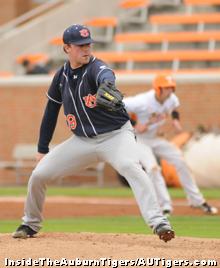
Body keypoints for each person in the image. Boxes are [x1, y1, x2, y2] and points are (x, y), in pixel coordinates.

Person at [12, 24, 175, 242]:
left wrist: (107, 85)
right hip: (81, 142)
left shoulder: (97, 68)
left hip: (116, 136)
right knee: (39, 175)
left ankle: (159, 222)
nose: (86, 49)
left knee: (130, 166)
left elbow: (106, 76)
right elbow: (50, 112)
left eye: (88, 44)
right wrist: (42, 149)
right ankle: (30, 223)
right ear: (66, 48)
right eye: (80, 46)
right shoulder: (61, 76)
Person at [124, 74, 218, 216]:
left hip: (155, 138)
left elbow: (174, 108)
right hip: (140, 139)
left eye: (171, 88)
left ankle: (196, 200)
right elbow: (119, 107)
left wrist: (175, 121)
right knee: (153, 168)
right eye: (166, 88)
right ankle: (165, 205)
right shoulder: (142, 101)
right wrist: (135, 124)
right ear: (158, 89)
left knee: (180, 161)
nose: (169, 91)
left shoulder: (171, 99)